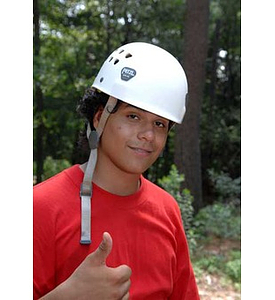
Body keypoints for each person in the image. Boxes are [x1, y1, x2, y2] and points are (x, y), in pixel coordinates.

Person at [34, 42, 200, 300]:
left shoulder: (166, 209)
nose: (148, 135)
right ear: (99, 118)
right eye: (133, 116)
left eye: (159, 123)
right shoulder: (40, 207)